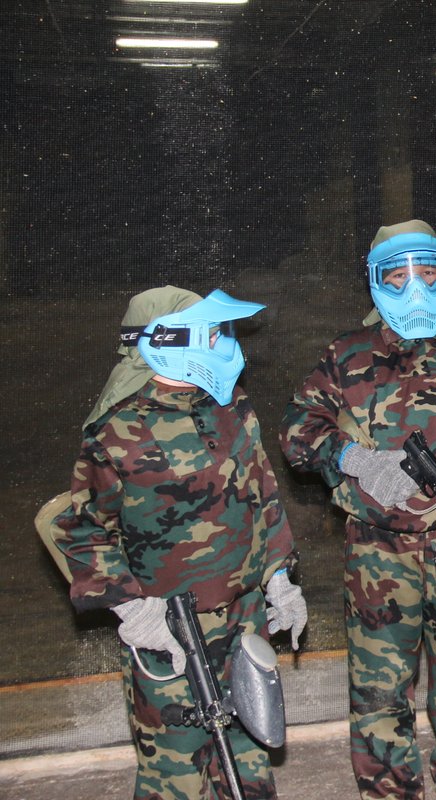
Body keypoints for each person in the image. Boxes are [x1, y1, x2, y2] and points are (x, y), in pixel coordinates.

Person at [280, 220, 436, 800]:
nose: (415, 287)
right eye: (398, 277)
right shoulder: (346, 354)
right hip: (378, 553)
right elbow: (297, 432)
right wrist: (353, 458)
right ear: (376, 282)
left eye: (429, 273)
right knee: (379, 691)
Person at [46, 286, 306, 800]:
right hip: (169, 628)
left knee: (250, 757)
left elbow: (263, 492)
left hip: (244, 616)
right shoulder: (117, 431)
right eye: (209, 332)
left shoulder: (229, 406)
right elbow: (82, 529)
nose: (222, 342)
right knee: (176, 770)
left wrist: (279, 577)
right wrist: (131, 609)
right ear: (166, 342)